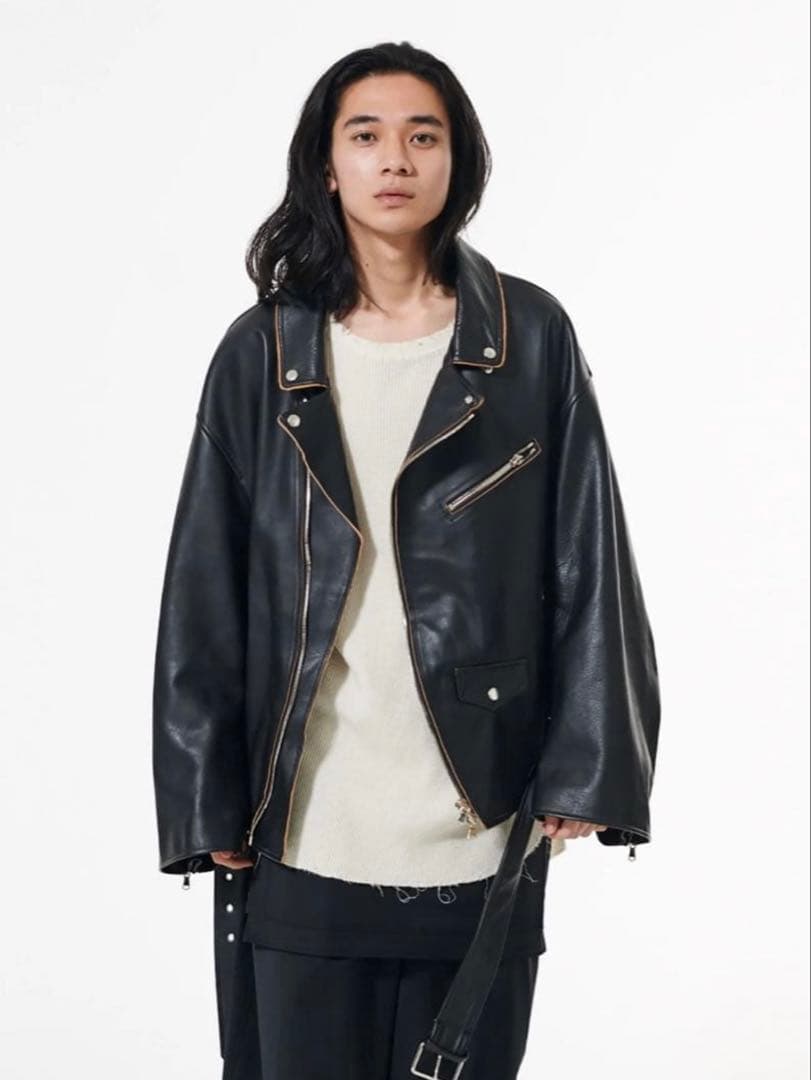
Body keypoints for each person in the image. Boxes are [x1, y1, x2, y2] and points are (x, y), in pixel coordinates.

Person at [151, 40, 661, 1080]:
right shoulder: (262, 352)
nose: (395, 159)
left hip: (479, 816)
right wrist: (203, 798)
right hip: (301, 817)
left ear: (457, 159)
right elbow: (203, 587)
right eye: (366, 135)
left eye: (423, 135)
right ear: (325, 163)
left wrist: (589, 764)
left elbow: (589, 556)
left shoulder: (527, 336)